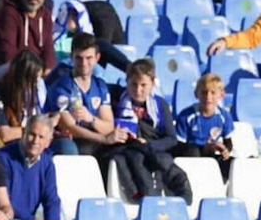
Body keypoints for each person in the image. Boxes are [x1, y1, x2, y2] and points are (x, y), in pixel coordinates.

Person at [105, 57, 192, 203]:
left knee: (160, 158)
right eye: (133, 84)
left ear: (152, 84)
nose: (138, 90)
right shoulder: (117, 100)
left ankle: (179, 188)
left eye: (143, 85)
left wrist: (147, 145)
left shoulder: (160, 105)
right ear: (126, 82)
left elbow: (171, 139)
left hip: (153, 149)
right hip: (126, 148)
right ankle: (145, 197)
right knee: (133, 157)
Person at [45, 31, 115, 158]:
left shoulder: (100, 86)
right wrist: (103, 139)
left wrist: (91, 119)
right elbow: (69, 127)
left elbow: (109, 126)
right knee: (68, 148)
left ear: (97, 58)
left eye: (89, 58)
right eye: (79, 58)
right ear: (71, 57)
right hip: (68, 139)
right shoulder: (62, 87)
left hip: (93, 139)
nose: (84, 63)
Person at [174, 71, 236, 176]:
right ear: (196, 94)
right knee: (193, 152)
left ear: (221, 94)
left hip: (212, 155)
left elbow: (228, 142)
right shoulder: (186, 116)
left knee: (233, 163)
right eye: (204, 92)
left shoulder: (224, 116)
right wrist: (203, 148)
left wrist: (225, 150)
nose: (208, 97)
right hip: (191, 158)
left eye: (213, 92)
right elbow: (179, 146)